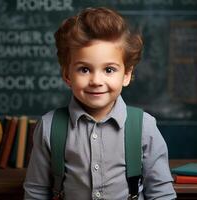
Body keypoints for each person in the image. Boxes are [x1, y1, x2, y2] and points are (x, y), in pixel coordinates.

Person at [24, 7, 176, 200]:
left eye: (109, 70)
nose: (96, 80)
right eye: (84, 69)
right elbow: (36, 192)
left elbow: (161, 193)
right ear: (67, 75)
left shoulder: (144, 127)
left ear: (127, 75)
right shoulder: (49, 126)